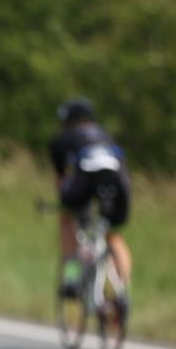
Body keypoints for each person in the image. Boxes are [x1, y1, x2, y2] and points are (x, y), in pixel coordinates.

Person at [49, 98, 132, 296]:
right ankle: (121, 295)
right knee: (114, 234)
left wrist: (67, 205)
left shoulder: (63, 138)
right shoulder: (107, 136)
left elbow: (61, 181)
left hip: (88, 178)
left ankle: (71, 278)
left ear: (68, 121)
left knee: (66, 219)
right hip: (119, 181)